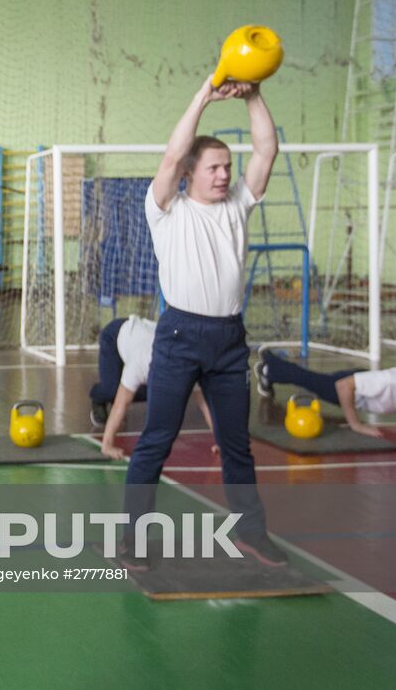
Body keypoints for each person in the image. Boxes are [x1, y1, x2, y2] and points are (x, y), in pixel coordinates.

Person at [120, 75, 288, 571]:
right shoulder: (166, 210)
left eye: (227, 168)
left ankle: (252, 533)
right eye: (214, 167)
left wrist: (253, 95)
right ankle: (133, 538)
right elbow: (171, 157)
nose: (223, 175)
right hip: (179, 337)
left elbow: (267, 148)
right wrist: (204, 97)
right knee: (157, 440)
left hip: (229, 341)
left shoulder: (238, 204)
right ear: (191, 173)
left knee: (237, 445)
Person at [256, 348, 396, 438]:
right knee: (310, 380)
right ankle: (268, 367)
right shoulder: (394, 382)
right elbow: (344, 387)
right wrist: (356, 424)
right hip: (355, 389)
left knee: (312, 379)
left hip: (364, 383)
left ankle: (271, 363)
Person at [92, 316, 218, 461]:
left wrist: (221, 442)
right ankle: (96, 397)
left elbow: (205, 404)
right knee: (112, 390)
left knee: (151, 392)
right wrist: (107, 445)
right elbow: (120, 403)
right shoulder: (140, 363)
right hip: (115, 334)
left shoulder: (187, 366)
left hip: (143, 334)